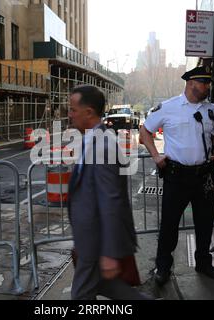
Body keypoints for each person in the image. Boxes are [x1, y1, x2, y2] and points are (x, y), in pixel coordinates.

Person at [140, 66, 214, 286]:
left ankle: (204, 263)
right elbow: (145, 131)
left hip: (204, 177)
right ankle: (163, 266)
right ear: (190, 83)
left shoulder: (212, 110)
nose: (207, 87)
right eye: (203, 83)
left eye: (208, 83)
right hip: (176, 176)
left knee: (205, 223)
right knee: (169, 224)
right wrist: (156, 155)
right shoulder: (169, 107)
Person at [67, 85, 149, 300]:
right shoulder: (92, 138)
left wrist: (110, 253)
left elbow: (111, 201)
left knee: (82, 295)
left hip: (97, 242)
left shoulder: (103, 145)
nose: (70, 114)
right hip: (90, 238)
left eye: (73, 109)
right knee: (111, 288)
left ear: (89, 112)